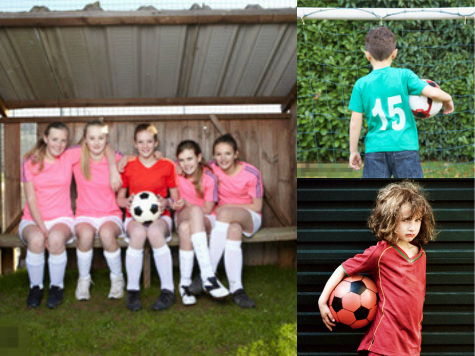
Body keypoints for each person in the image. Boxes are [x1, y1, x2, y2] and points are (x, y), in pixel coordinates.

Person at [318, 181, 436, 355]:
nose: (413, 227)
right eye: (406, 220)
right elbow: (344, 268)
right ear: (390, 219)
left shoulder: (421, 255)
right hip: (384, 341)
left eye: (417, 220)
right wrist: (322, 300)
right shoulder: (381, 252)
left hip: (411, 343)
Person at [20, 122, 120, 309]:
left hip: (62, 218)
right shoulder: (29, 162)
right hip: (33, 219)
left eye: (63, 140)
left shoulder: (69, 155)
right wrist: (42, 229)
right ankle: (36, 288)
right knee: (36, 239)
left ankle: (56, 287)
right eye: (54, 139)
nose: (58, 144)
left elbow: (105, 146)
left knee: (56, 239)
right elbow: (31, 200)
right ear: (45, 139)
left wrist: (114, 169)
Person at [348, 26, 455, 178]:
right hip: (405, 147)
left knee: (375, 197)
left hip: (375, 149)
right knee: (411, 196)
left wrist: (353, 151)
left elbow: (355, 121)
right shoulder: (404, 75)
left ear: (367, 55)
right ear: (394, 53)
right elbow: (432, 92)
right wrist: (448, 99)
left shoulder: (361, 84)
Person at [191, 134, 263, 309]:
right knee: (234, 230)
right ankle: (237, 289)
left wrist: (230, 207)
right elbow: (189, 164)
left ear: (236, 154)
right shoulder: (212, 168)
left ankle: (208, 275)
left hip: (250, 216)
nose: (223, 158)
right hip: (227, 221)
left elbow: (257, 205)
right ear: (214, 156)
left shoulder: (251, 173)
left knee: (224, 212)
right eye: (218, 154)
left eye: (228, 154)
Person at [117, 123, 182, 311]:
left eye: (149, 141)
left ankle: (168, 290)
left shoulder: (167, 165)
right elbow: (120, 198)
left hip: (161, 217)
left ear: (156, 143)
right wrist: (125, 202)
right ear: (135, 144)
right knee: (137, 235)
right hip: (134, 217)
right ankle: (133, 291)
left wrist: (166, 203)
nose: (145, 146)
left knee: (154, 233)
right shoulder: (128, 166)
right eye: (141, 142)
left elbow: (175, 198)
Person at [73, 120, 125, 301]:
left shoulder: (116, 158)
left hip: (110, 213)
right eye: (92, 138)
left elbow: (138, 158)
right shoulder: (76, 157)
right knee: (86, 235)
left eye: (101, 138)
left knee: (106, 233)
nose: (96, 142)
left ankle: (117, 278)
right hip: (84, 214)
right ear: (85, 139)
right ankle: (83, 280)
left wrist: (113, 168)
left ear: (107, 139)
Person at [174, 140, 229, 306]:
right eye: (182, 160)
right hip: (182, 213)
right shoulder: (176, 171)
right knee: (186, 220)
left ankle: (184, 284)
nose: (186, 164)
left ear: (199, 157)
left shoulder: (209, 176)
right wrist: (174, 203)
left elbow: (207, 208)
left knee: (186, 227)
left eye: (189, 158)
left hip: (205, 217)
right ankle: (208, 277)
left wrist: (188, 204)